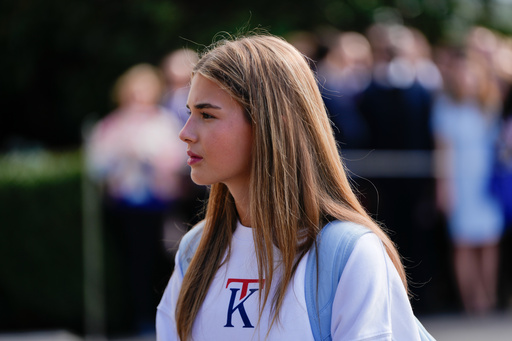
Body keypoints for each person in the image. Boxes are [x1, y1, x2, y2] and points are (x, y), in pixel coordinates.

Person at [157, 34, 425, 340]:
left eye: (206, 114)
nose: (185, 132)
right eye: (188, 112)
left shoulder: (348, 253)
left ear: (273, 123)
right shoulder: (194, 250)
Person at [86, 64, 187, 335]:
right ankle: (141, 318)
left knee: (166, 259)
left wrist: (152, 158)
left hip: (160, 204)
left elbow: (179, 157)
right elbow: (97, 165)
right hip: (127, 204)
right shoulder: (111, 124)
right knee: (136, 264)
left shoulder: (163, 121)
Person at [432, 48, 504, 315]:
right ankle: (470, 301)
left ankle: (488, 296)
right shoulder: (445, 105)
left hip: (488, 181)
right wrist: (444, 186)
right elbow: (443, 151)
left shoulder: (490, 102)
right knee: (463, 242)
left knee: (489, 241)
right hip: (459, 180)